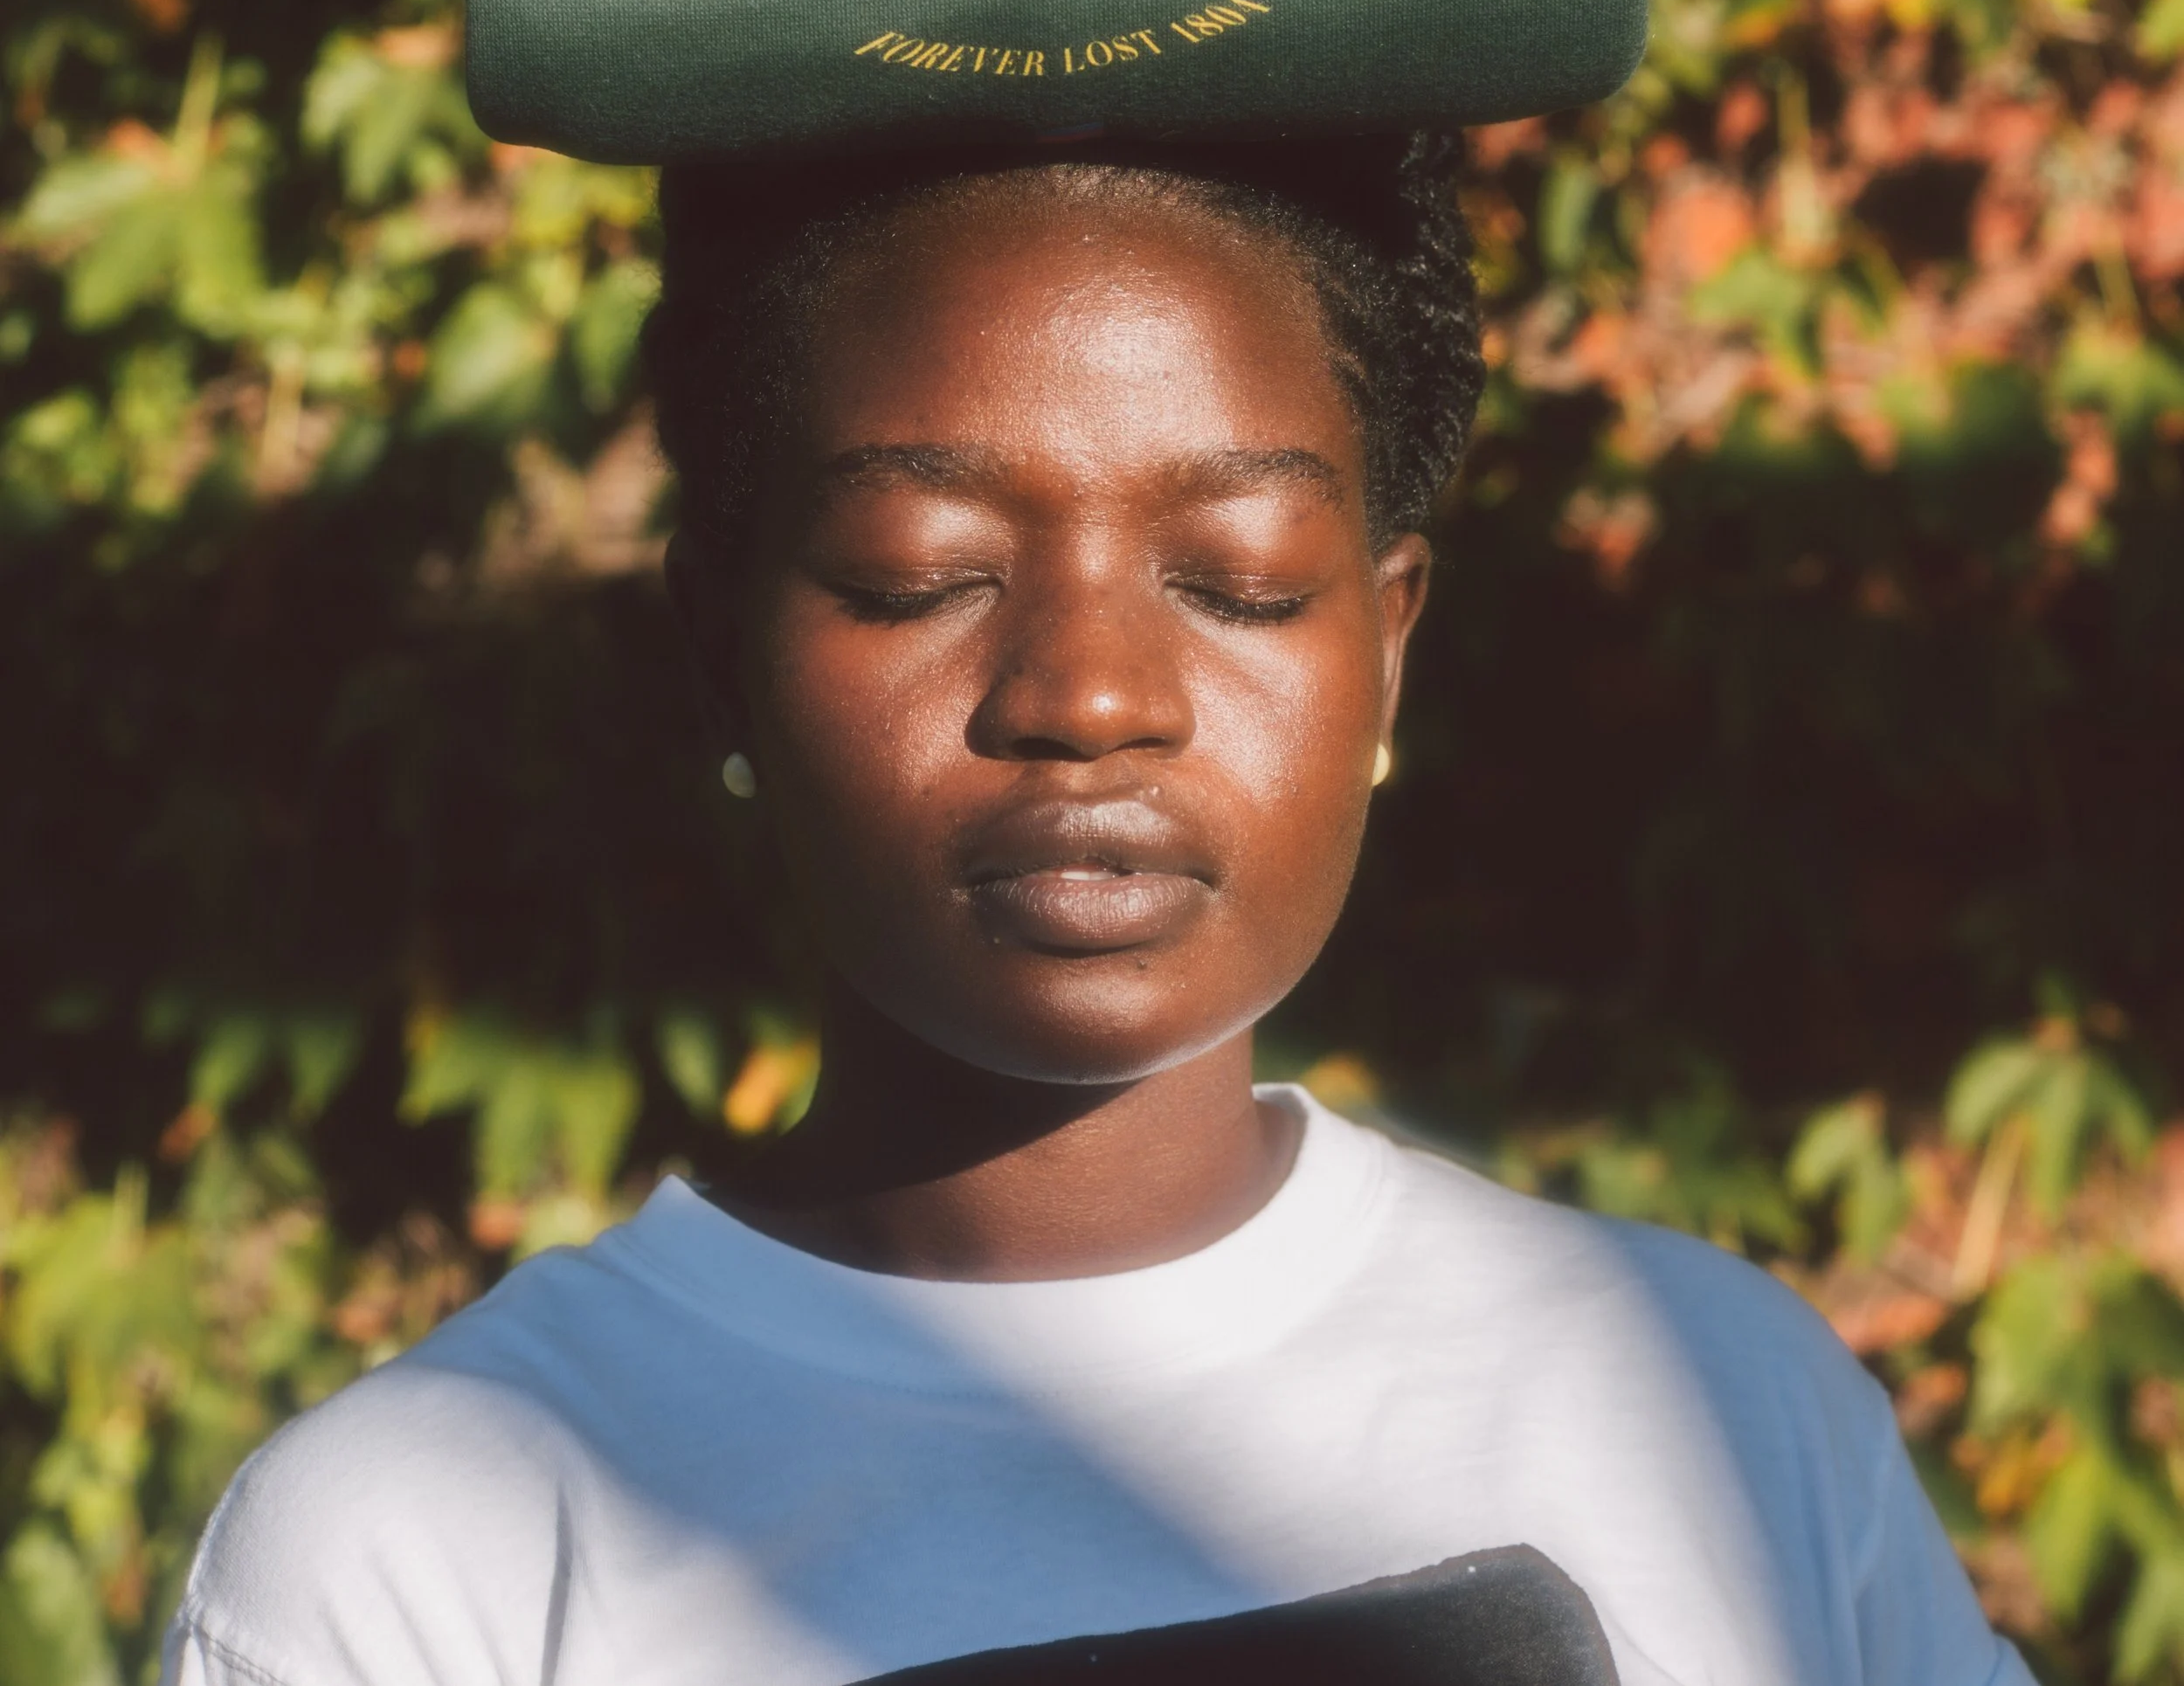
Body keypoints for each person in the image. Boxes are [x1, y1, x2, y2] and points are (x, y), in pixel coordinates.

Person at [162, 138, 2028, 1686]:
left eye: (1234, 579)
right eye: (920, 578)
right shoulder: (428, 1545)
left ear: (1386, 649)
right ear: (720, 657)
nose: (1090, 692)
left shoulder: (1704, 1401)